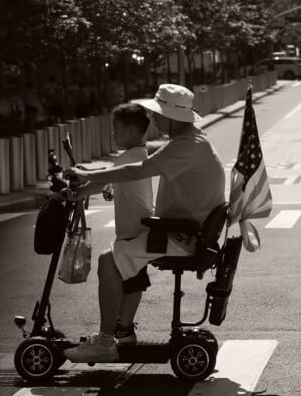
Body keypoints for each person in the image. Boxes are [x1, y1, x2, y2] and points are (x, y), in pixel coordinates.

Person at [62, 84, 226, 362]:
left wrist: (86, 172)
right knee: (114, 258)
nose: (156, 121)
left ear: (174, 117)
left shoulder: (186, 146)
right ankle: (122, 331)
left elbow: (137, 169)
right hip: (180, 232)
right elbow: (132, 170)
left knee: (108, 262)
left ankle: (105, 342)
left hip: (179, 236)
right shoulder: (192, 142)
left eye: (160, 115)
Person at [59, 103, 154, 348]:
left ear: (132, 131)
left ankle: (107, 336)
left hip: (133, 232)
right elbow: (109, 178)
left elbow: (106, 177)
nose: (113, 134)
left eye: (116, 128)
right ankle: (124, 330)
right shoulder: (136, 156)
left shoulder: (130, 158)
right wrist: (85, 183)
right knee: (133, 281)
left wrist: (77, 190)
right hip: (136, 230)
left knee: (109, 265)